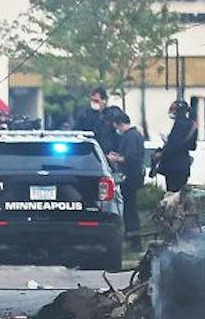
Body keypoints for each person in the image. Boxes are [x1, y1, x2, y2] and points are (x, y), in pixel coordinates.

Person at [106, 107, 146, 248]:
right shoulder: (134, 135)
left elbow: (130, 157)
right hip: (132, 175)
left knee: (130, 208)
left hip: (131, 176)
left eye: (116, 126)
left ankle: (134, 239)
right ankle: (132, 237)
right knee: (129, 207)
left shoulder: (131, 136)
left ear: (120, 124)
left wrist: (115, 159)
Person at [155, 99, 198, 193]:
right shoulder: (192, 124)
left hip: (174, 166)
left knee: (172, 195)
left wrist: (162, 153)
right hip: (184, 165)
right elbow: (192, 146)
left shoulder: (179, 124)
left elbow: (174, 145)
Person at [75, 86, 115, 156]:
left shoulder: (112, 114)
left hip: (107, 153)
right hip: (88, 153)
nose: (93, 103)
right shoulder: (84, 115)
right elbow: (76, 131)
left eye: (96, 101)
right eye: (92, 100)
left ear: (104, 100)